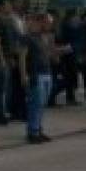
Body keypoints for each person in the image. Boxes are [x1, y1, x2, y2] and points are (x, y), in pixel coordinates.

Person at [19, 10, 53, 144]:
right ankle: (32, 131)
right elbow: (22, 57)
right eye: (48, 22)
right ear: (40, 22)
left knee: (42, 104)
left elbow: (47, 54)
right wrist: (23, 75)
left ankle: (38, 128)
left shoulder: (44, 37)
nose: (49, 25)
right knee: (36, 104)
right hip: (35, 74)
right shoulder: (27, 38)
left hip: (47, 72)